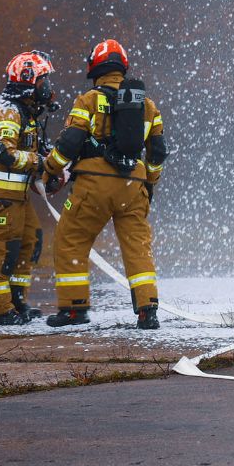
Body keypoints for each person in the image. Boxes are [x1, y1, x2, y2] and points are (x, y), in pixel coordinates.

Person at [41, 40, 168, 329]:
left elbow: (70, 143)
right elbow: (158, 151)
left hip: (94, 184)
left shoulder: (88, 100)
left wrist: (50, 169)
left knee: (71, 239)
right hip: (133, 185)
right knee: (138, 248)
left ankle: (74, 310)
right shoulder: (147, 106)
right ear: (123, 67)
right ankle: (148, 311)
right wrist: (149, 183)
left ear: (95, 68)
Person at [0, 51, 57, 325]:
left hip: (16, 195)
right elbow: (3, 152)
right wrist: (38, 161)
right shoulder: (7, 110)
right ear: (29, 79)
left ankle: (16, 300)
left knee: (30, 242)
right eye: (44, 80)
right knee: (4, 248)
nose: (47, 87)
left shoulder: (26, 111)